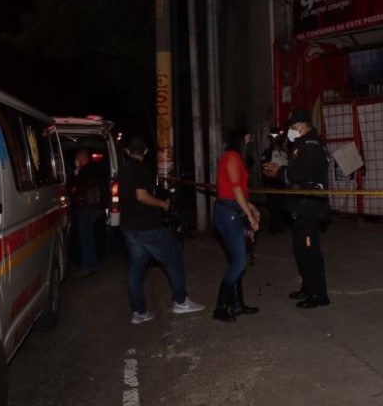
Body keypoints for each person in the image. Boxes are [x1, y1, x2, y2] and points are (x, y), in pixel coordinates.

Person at [120, 135, 204, 324]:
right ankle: (180, 301)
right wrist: (162, 204)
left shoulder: (123, 169)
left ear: (127, 151)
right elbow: (141, 196)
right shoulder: (140, 168)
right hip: (147, 227)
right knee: (174, 257)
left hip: (130, 227)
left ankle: (139, 312)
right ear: (146, 151)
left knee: (136, 269)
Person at [263, 108, 331, 309]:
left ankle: (319, 294)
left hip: (310, 207)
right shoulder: (302, 144)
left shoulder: (311, 145)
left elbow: (302, 173)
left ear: (304, 125)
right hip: (301, 206)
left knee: (310, 252)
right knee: (300, 250)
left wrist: (280, 172)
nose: (291, 131)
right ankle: (308, 288)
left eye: (294, 126)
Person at [212, 127, 261, 322]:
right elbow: (235, 191)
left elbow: (239, 192)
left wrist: (251, 207)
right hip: (228, 213)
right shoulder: (231, 157)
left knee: (236, 261)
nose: (249, 141)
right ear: (240, 139)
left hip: (232, 210)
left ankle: (237, 305)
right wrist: (250, 215)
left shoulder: (237, 158)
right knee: (239, 263)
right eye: (247, 138)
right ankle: (220, 307)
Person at [67, 147, 105, 277]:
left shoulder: (84, 171)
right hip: (94, 207)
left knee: (85, 238)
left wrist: (75, 174)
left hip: (85, 208)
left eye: (77, 158)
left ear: (82, 158)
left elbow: (76, 188)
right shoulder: (96, 169)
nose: (76, 160)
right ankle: (92, 264)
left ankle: (87, 266)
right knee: (90, 237)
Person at [259, 132, 291, 234]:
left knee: (284, 206)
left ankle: (282, 226)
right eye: (277, 137)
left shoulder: (285, 153)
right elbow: (264, 167)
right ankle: (274, 229)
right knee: (274, 207)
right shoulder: (268, 152)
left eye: (281, 137)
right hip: (273, 184)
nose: (279, 139)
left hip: (283, 184)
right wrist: (267, 183)